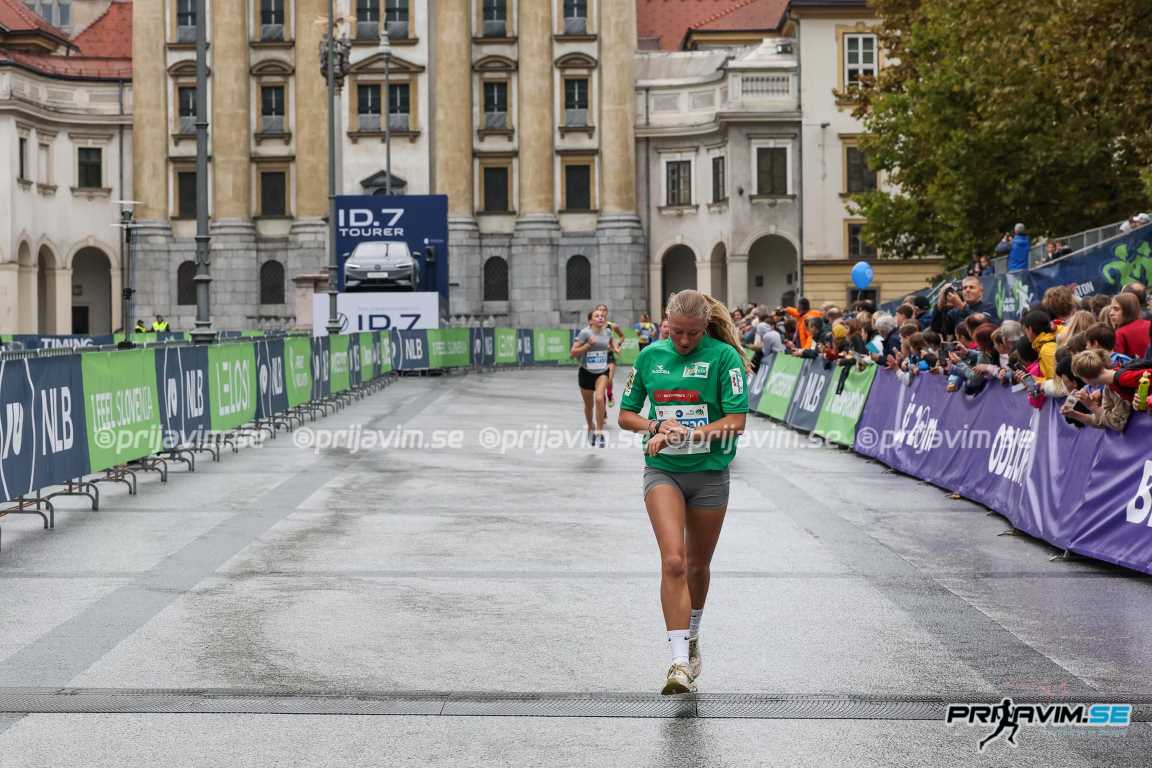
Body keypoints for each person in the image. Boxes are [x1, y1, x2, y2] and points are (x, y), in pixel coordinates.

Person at [618, 290, 749, 696]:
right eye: (676, 332)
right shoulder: (649, 357)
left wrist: (690, 434)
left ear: (705, 326)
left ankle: (692, 635)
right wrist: (655, 427)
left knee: (696, 566)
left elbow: (736, 421)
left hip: (709, 473)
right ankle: (678, 662)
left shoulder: (724, 358)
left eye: (692, 333)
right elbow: (625, 415)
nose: (684, 340)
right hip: (664, 471)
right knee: (673, 560)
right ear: (666, 323)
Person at [570, 307, 620, 448]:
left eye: (602, 316)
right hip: (586, 372)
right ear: (590, 321)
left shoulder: (607, 332)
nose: (600, 318)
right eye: (596, 316)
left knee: (599, 399)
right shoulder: (585, 333)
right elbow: (573, 352)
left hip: (602, 372)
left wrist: (616, 347)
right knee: (589, 405)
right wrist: (587, 345)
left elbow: (612, 340)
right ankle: (590, 427)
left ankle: (599, 432)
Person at [595, 303, 626, 407]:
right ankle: (603, 405)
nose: (602, 312)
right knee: (601, 383)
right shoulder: (593, 326)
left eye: (604, 310)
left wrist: (617, 346)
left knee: (608, 379)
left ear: (607, 312)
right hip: (598, 357)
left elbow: (622, 336)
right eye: (599, 310)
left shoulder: (612, 326)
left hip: (609, 356)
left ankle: (609, 395)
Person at [1108, 293, 1151, 360]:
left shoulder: (1120, 333)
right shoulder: (1149, 324)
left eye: (1116, 309)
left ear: (1128, 310)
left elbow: (1118, 361)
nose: (1111, 313)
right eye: (1111, 309)